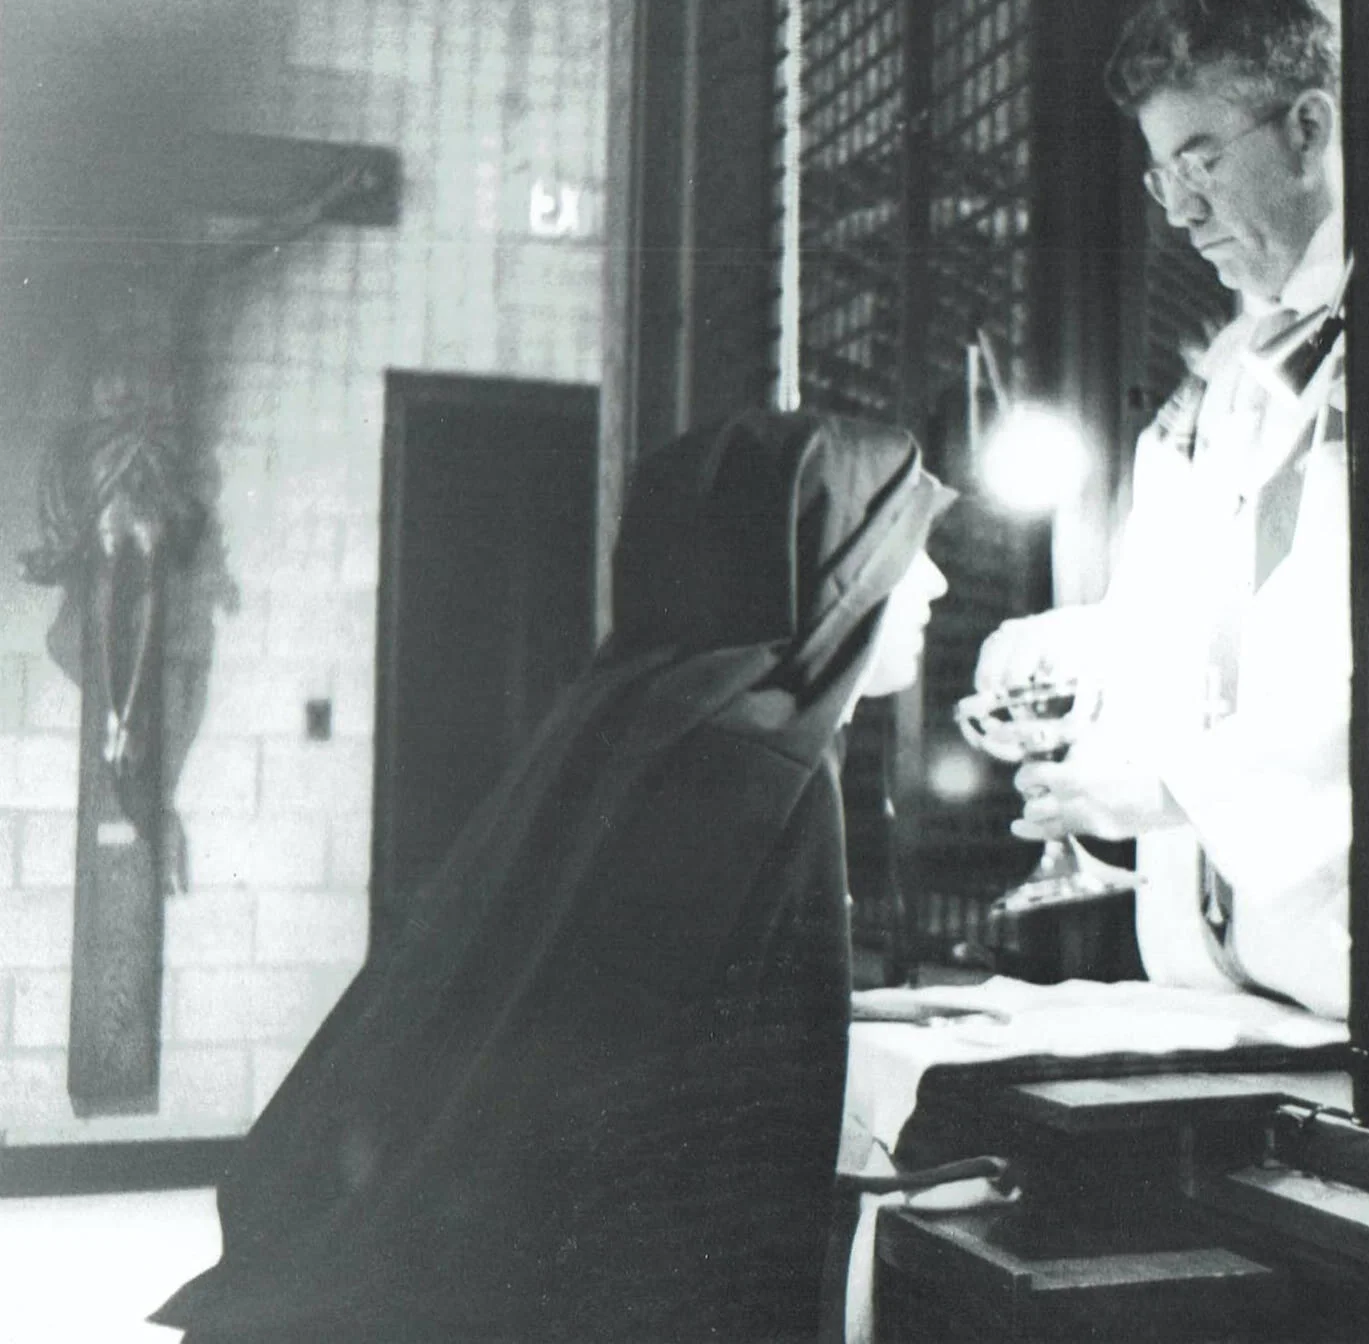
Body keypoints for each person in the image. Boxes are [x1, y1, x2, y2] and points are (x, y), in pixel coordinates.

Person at [152, 409, 954, 1343]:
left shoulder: (645, 716)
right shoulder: (766, 775)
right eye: (912, 548)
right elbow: (742, 1153)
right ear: (834, 569)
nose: (935, 583)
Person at [976, 0, 1351, 1019]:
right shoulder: (1230, 370)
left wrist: (1166, 789)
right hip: (1250, 973)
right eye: (1160, 175)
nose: (1179, 211)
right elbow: (1219, 616)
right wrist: (1079, 646)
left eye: (1199, 161)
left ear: (1307, 127)